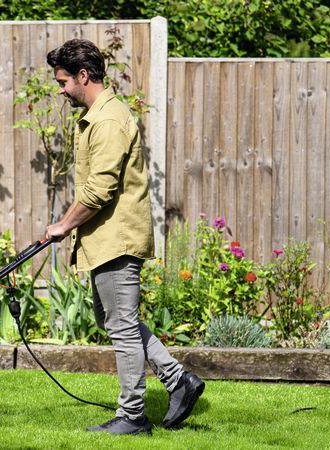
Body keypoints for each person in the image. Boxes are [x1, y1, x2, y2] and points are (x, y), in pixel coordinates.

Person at [43, 39, 205, 436]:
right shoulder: (98, 117)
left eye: (63, 82)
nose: (61, 91)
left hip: (116, 238)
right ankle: (178, 380)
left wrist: (64, 225)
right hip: (106, 237)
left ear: (83, 76)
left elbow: (99, 190)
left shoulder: (109, 120)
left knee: (122, 326)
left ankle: (132, 415)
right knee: (116, 320)